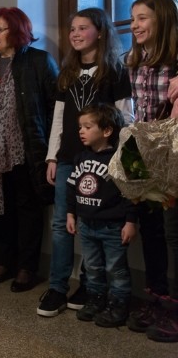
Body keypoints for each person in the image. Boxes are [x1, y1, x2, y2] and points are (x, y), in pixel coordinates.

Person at [37, 8, 134, 317]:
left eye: (83, 28)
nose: (75, 34)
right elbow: (58, 119)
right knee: (61, 223)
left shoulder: (115, 71)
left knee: (94, 223)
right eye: (72, 29)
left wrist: (122, 160)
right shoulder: (67, 73)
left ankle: (91, 285)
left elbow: (126, 118)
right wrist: (52, 156)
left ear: (100, 32)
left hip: (102, 162)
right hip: (68, 158)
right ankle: (57, 286)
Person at [0, 7, 58, 293]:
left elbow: (54, 106)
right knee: (1, 208)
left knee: (27, 209)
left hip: (26, 149)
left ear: (17, 30)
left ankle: (26, 267)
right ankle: (4, 259)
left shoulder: (38, 61)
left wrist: (51, 149)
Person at [124, 0, 178, 342]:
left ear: (163, 20)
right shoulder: (135, 61)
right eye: (132, 19)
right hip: (143, 152)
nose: (134, 25)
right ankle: (158, 299)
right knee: (151, 229)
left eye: (142, 18)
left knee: (174, 233)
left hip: (172, 155)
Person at [66, 103, 136, 327]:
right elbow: (71, 187)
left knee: (115, 268)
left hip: (113, 226)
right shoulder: (80, 157)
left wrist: (130, 221)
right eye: (80, 127)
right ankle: (96, 299)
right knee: (92, 267)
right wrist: (70, 214)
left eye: (87, 127)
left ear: (107, 130)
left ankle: (118, 304)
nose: (81, 131)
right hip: (87, 224)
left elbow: (131, 192)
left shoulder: (120, 157)